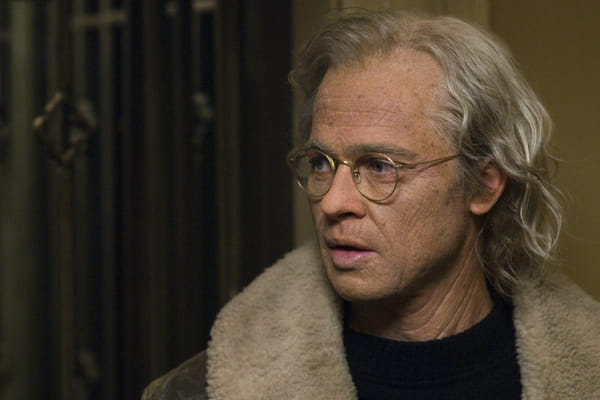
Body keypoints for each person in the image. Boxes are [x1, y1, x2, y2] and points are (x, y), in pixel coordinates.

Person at [143, 10, 600, 400]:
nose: (333, 202)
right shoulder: (201, 389)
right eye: (320, 163)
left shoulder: (585, 371)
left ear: (483, 185)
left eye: (380, 166)